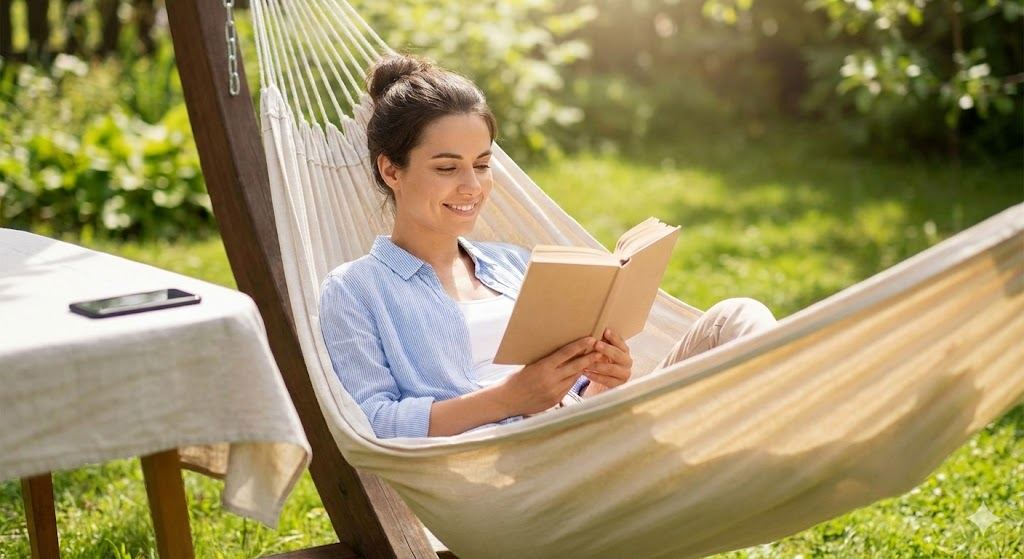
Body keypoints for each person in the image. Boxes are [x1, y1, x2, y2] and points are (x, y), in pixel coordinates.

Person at [319, 54, 777, 439]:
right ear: (391, 171)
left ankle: (787, 428)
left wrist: (605, 380)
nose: (471, 186)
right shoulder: (356, 290)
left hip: (586, 433)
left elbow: (576, 397)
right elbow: (371, 424)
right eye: (447, 168)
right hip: (509, 469)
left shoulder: (514, 265)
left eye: (481, 165)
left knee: (738, 317)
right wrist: (509, 399)